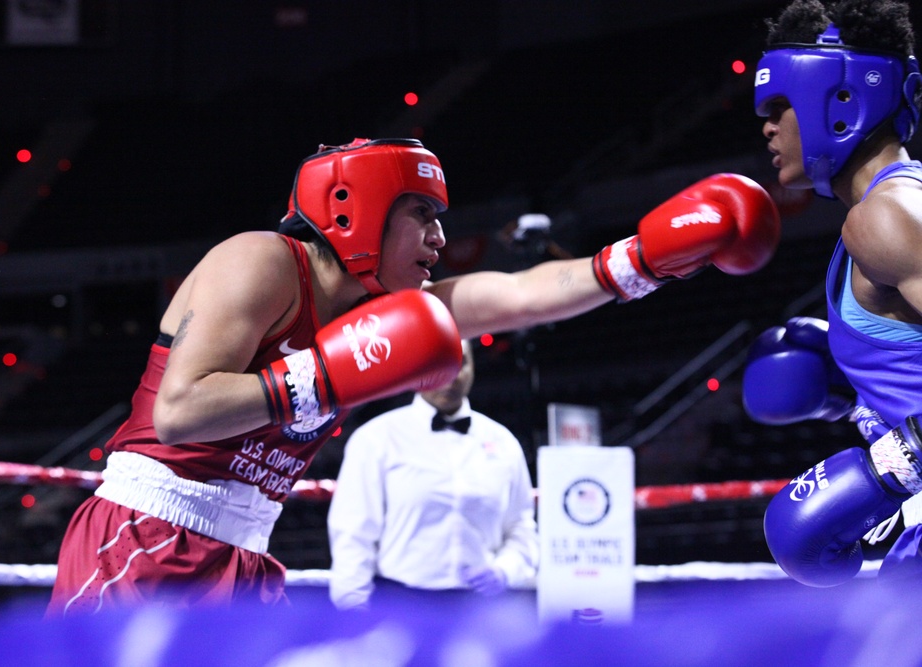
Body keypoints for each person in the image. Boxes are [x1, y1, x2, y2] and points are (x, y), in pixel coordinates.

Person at [46, 137, 780, 616]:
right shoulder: (264, 261)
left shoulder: (388, 311)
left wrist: (643, 259)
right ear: (354, 209)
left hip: (245, 554)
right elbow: (179, 411)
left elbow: (526, 293)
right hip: (147, 536)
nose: (438, 237)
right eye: (421, 214)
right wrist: (321, 378)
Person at [743, 0, 922, 587]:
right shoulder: (888, 214)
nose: (767, 126)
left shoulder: (885, 217)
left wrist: (903, 459)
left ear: (839, 98)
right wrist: (858, 394)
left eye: (779, 106)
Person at [327, 339, 537, 610]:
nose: (451, 376)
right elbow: (353, 535)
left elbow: (521, 527)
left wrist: (505, 571)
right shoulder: (376, 439)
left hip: (478, 609)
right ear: (418, 369)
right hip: (398, 604)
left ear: (473, 367)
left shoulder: (503, 442)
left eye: (460, 363)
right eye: (440, 365)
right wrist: (352, 611)